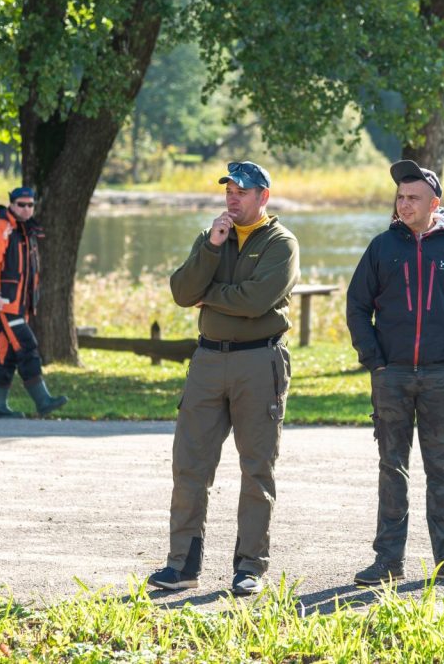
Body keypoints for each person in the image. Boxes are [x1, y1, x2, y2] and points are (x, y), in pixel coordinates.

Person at [148, 161, 299, 596]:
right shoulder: (213, 236)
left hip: (258, 362)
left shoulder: (281, 243)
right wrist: (212, 247)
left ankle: (249, 567)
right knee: (189, 465)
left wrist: (209, 296)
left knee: (256, 468)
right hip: (208, 361)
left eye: (242, 191)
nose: (233, 198)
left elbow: (254, 301)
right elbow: (182, 292)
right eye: (229, 190)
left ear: (263, 196)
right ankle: (182, 565)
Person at [346, 160, 444, 586]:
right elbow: (357, 307)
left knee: (443, 469)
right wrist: (374, 360)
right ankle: (388, 562)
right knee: (392, 469)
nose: (404, 204)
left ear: (434, 204)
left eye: (413, 197)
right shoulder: (382, 247)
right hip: (391, 375)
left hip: (440, 376)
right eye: (400, 197)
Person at [0, 186, 68, 418]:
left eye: (30, 205)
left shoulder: (25, 230)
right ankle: (43, 400)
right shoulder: (0, 227)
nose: (27, 209)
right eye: (21, 205)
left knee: (7, 353)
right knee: (26, 345)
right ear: (11, 204)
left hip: (19, 304)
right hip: (4, 302)